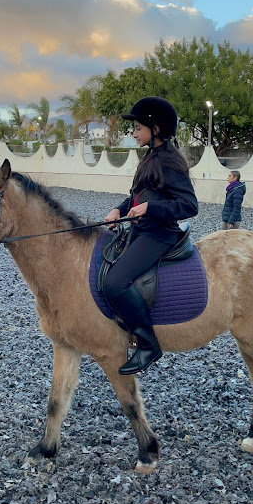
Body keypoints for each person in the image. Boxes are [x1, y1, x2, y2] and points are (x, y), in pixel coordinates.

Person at [103, 96, 198, 376]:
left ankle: (148, 344)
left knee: (115, 282)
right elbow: (136, 196)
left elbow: (190, 205)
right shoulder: (150, 156)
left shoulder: (168, 160)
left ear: (154, 130)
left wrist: (150, 208)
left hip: (159, 235)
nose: (133, 133)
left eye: (138, 128)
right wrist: (117, 211)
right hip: (141, 229)